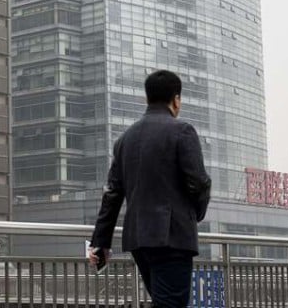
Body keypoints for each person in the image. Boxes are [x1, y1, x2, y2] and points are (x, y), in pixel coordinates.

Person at [87, 69, 212, 307]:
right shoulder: (182, 131)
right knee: (171, 303)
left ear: (147, 98)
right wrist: (195, 213)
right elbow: (199, 182)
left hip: (139, 239)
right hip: (172, 237)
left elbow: (112, 194)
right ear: (176, 99)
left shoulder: (125, 139)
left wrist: (100, 241)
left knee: (164, 301)